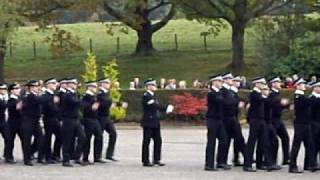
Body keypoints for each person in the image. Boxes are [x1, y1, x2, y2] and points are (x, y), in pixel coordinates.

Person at [243, 77, 277, 172]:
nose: (263, 85)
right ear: (257, 84)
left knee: (265, 141)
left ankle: (266, 163)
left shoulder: (260, 94)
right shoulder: (254, 94)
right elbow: (262, 100)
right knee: (252, 142)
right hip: (255, 120)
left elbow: (267, 103)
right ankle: (247, 164)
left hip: (261, 120)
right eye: (262, 84)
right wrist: (266, 95)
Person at [141, 78, 173, 167]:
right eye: (153, 85)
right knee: (146, 141)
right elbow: (155, 106)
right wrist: (166, 108)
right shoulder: (146, 96)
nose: (155, 86)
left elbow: (156, 106)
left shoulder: (153, 95)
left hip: (155, 121)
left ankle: (156, 159)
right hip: (148, 121)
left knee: (158, 141)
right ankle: (145, 160)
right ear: (148, 86)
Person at [289, 78, 317, 173]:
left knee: (310, 145)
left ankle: (310, 164)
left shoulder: (303, 96)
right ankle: (292, 166)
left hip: (306, 124)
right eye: (302, 84)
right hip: (300, 124)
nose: (304, 85)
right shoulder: (298, 96)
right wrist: (313, 96)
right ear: (298, 86)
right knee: (296, 145)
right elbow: (308, 103)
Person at [218, 73, 244, 169]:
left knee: (237, 138)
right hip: (226, 118)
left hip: (232, 117)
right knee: (225, 140)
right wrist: (236, 103)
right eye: (230, 79)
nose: (232, 81)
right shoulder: (223, 91)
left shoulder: (229, 91)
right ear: (225, 80)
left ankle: (237, 157)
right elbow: (226, 103)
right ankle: (221, 161)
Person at [204, 74, 228, 171]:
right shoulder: (212, 93)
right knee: (211, 142)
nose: (221, 83)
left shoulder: (220, 92)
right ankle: (209, 164)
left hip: (219, 119)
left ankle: (220, 161)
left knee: (224, 140)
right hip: (212, 119)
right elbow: (221, 100)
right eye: (219, 81)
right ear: (214, 82)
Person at [60, 78, 86, 167]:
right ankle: (65, 160)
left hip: (76, 119)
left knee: (82, 138)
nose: (75, 85)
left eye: (76, 83)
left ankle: (76, 156)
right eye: (74, 83)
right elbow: (75, 102)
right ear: (69, 84)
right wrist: (84, 102)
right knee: (68, 140)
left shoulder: (75, 93)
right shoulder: (67, 94)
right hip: (68, 119)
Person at [20, 80, 45, 166]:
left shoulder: (35, 95)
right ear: (30, 88)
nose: (37, 88)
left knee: (41, 138)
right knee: (27, 139)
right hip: (28, 120)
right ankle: (27, 159)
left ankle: (36, 155)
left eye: (37, 86)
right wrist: (43, 95)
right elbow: (40, 100)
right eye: (34, 87)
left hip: (35, 120)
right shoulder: (29, 96)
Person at [82, 81, 106, 164]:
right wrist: (90, 107)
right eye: (94, 87)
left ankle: (97, 156)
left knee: (99, 136)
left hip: (95, 119)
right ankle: (85, 158)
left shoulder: (94, 96)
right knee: (87, 138)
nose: (96, 88)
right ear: (89, 87)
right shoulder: (86, 96)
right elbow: (83, 105)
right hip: (88, 119)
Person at [268, 77, 290, 165]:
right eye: (277, 82)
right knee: (273, 140)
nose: (280, 84)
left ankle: (286, 158)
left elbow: (280, 105)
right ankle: (272, 160)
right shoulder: (271, 93)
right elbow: (272, 103)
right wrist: (281, 102)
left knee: (285, 137)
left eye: (279, 82)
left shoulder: (278, 93)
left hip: (278, 119)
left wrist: (286, 105)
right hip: (272, 119)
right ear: (273, 84)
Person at [97, 78, 118, 161]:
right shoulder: (99, 93)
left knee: (113, 134)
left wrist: (117, 104)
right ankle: (98, 156)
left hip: (106, 117)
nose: (109, 84)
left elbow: (109, 102)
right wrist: (109, 106)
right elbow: (101, 104)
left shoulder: (106, 93)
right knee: (99, 136)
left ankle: (109, 154)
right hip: (100, 117)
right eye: (107, 83)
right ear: (102, 84)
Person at [42, 78, 61, 164]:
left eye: (55, 83)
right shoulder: (45, 95)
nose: (55, 85)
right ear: (48, 85)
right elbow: (47, 106)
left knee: (60, 135)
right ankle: (47, 157)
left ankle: (55, 154)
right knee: (48, 138)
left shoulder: (54, 94)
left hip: (55, 118)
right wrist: (52, 102)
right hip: (48, 118)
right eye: (53, 83)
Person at [6, 83, 23, 164]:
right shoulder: (10, 99)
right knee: (10, 140)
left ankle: (28, 154)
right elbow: (10, 107)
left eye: (19, 88)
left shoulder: (19, 98)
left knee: (25, 139)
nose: (18, 90)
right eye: (16, 89)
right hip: (12, 122)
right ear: (11, 91)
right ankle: (8, 156)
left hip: (20, 122)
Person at [309, 81, 320, 168]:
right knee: (314, 143)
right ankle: (312, 163)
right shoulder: (312, 98)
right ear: (314, 88)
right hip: (314, 122)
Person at [0, 83, 10, 162]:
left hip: (4, 121)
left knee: (8, 138)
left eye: (5, 89)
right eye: (2, 89)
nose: (4, 90)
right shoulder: (4, 99)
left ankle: (7, 155)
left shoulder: (6, 98)